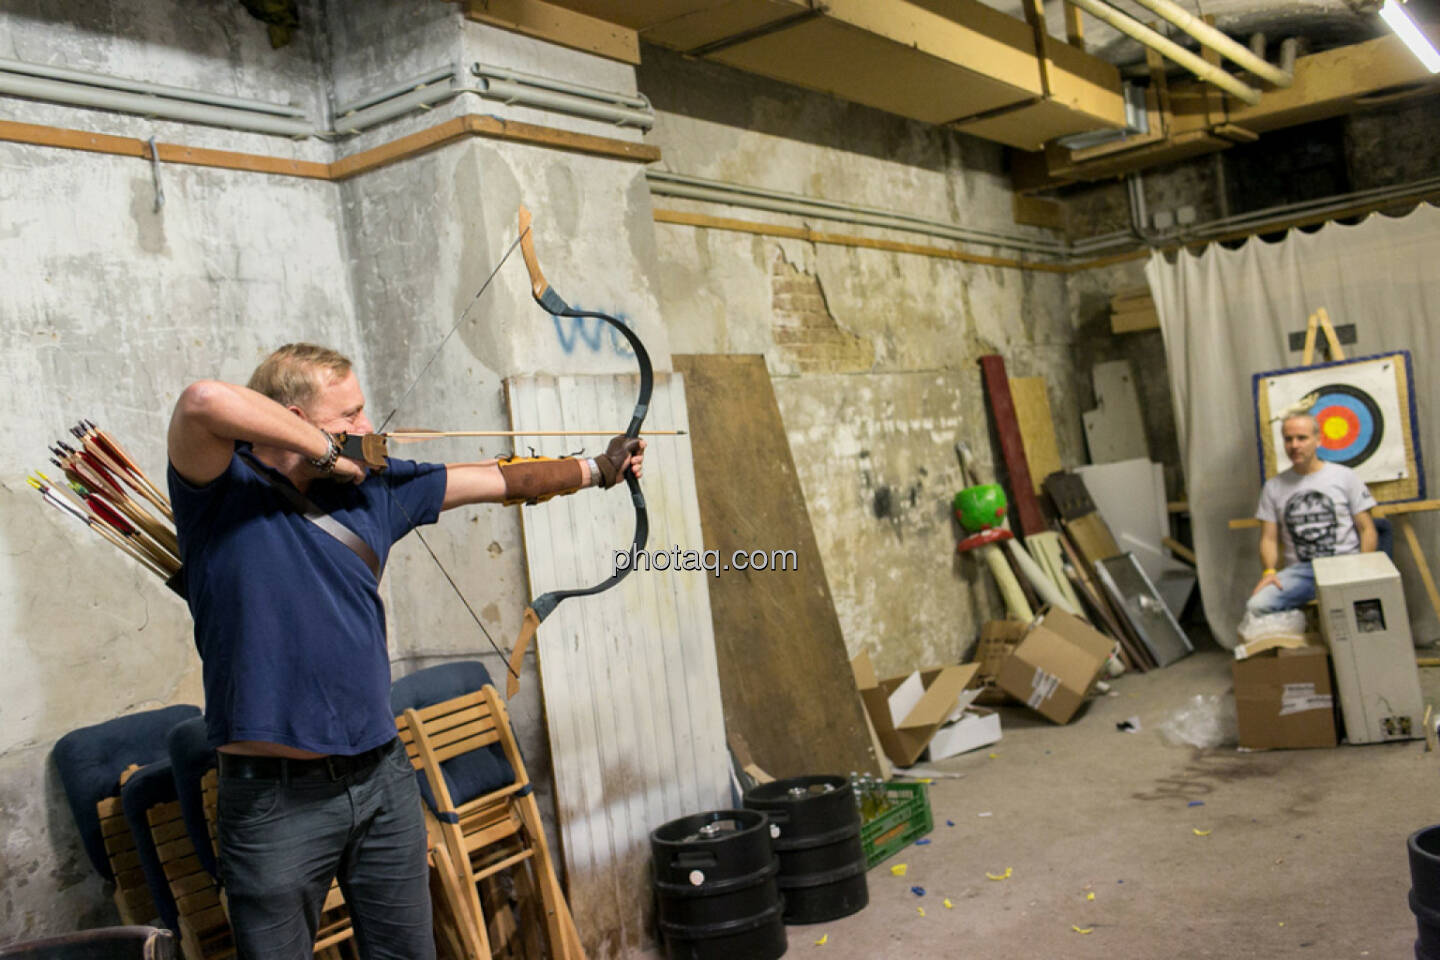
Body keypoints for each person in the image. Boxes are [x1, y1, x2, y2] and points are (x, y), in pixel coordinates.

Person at [166, 343, 644, 959]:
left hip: (381, 778)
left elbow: (499, 480)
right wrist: (327, 452)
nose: (368, 429)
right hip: (273, 799)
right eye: (350, 417)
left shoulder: (373, 494)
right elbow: (202, 402)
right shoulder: (219, 492)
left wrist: (600, 469)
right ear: (294, 418)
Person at [1247, 411, 1376, 615]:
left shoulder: (1345, 477)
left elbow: (1366, 528)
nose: (1295, 445)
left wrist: (1364, 567)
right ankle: (1293, 644)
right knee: (1258, 605)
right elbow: (1269, 539)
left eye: (1302, 438)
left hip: (1346, 565)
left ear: (1318, 440)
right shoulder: (1273, 487)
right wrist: (1269, 571)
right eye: (1288, 439)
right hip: (1302, 572)